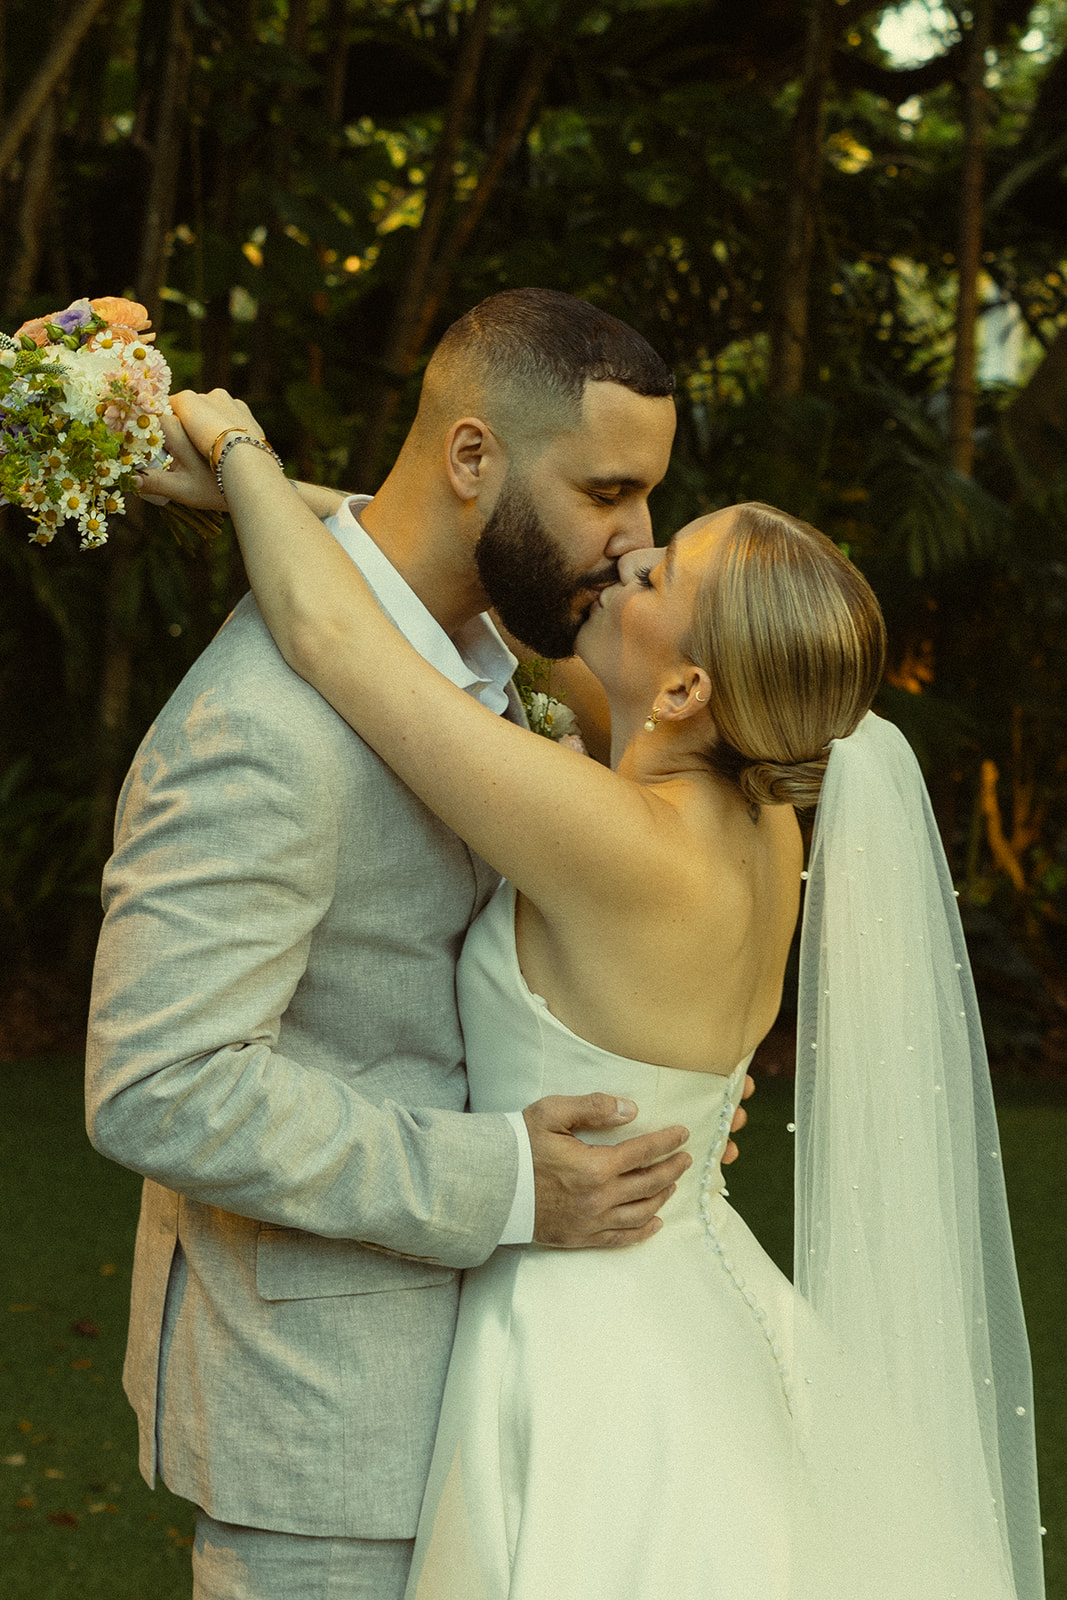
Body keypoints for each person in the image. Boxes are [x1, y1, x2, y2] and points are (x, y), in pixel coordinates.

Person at [159, 378, 1046, 1600]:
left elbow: (336, 638)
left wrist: (235, 438)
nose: (615, 558)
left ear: (684, 687)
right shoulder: (756, 809)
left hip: (582, 1335)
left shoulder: (614, 835)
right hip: (697, 1288)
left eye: (652, 573)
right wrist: (274, 498)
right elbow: (450, 578)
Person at [86, 289, 756, 1600]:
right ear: (470, 459)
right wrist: (505, 1178)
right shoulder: (261, 729)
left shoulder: (504, 666)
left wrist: (648, 1088)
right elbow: (157, 1087)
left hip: (520, 1413)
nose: (635, 547)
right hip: (335, 1444)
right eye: (608, 494)